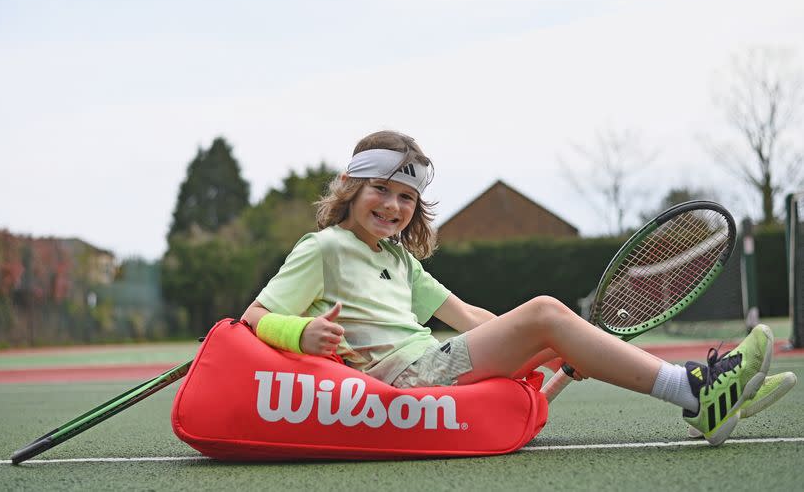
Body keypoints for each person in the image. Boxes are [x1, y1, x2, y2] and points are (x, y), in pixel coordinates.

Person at [241, 130, 778, 447]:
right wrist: (301, 331)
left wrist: (553, 342)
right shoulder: (324, 248)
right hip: (403, 380)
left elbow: (469, 318)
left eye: (406, 197)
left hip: (431, 363)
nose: (393, 207)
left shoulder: (398, 259)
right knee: (546, 311)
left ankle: (718, 400)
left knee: (551, 328)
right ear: (352, 188)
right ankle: (697, 391)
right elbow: (253, 317)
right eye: (381, 190)